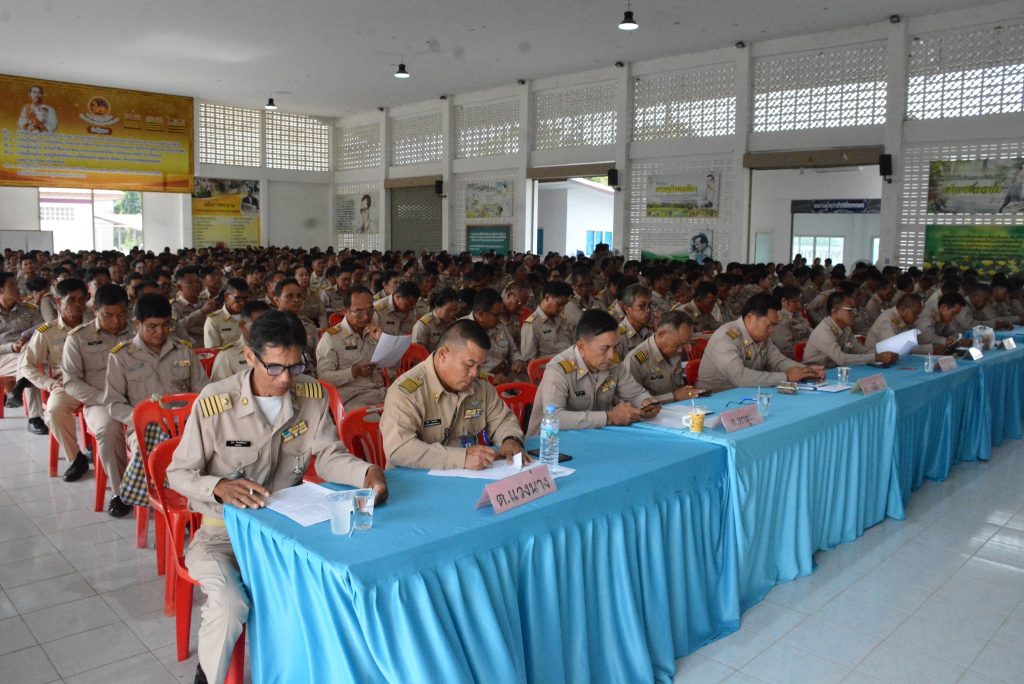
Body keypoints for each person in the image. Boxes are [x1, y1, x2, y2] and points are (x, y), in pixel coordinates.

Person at [168, 310, 388, 684]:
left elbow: (329, 456)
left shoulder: (311, 395)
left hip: (288, 532)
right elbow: (178, 474)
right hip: (223, 535)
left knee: (338, 584)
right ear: (249, 356)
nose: (286, 379)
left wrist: (365, 473)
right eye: (274, 368)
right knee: (230, 605)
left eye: (295, 366)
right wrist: (218, 487)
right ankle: (208, 676)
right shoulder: (216, 402)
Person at [104, 294, 209, 516]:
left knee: (212, 447)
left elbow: (202, 391)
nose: (160, 332)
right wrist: (144, 419)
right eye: (152, 326)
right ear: (137, 324)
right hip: (144, 429)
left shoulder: (183, 350)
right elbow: (114, 404)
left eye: (165, 325)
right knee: (162, 450)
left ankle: (196, 505)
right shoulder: (121, 356)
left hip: (186, 423)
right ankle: (170, 503)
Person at [380, 319, 525, 469]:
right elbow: (400, 448)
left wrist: (510, 439)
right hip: (417, 478)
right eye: (469, 364)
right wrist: (462, 458)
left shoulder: (480, 385)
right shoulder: (406, 392)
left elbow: (503, 420)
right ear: (443, 355)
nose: (474, 373)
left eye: (479, 366)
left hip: (468, 475)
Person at [528, 309, 658, 435]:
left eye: (615, 347)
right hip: (551, 442)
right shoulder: (558, 369)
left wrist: (646, 403)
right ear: (582, 346)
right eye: (605, 348)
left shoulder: (614, 364)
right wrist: (609, 417)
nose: (611, 355)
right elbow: (554, 417)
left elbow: (635, 394)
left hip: (594, 436)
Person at [57, 284, 134, 494]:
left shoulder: (138, 331)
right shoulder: (78, 338)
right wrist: (106, 398)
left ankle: (161, 486)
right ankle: (122, 493)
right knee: (109, 430)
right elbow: (71, 382)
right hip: (101, 402)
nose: (116, 321)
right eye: (108, 315)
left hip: (138, 397)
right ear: (94, 310)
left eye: (122, 314)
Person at [697, 293, 824, 392]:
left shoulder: (762, 336)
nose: (771, 331)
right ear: (750, 318)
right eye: (769, 325)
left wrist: (805, 371)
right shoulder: (726, 338)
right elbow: (740, 376)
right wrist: (786, 377)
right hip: (715, 399)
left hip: (745, 394)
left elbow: (777, 361)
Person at [21, 278, 88, 466]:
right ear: (58, 302)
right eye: (71, 300)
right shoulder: (47, 332)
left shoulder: (95, 327)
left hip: (99, 383)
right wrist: (49, 384)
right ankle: (76, 458)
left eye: (81, 300)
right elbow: (27, 366)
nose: (77, 305)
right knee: (54, 410)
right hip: (67, 385)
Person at [316, 286, 387, 409]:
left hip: (381, 392)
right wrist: (353, 372)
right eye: (359, 312)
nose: (366, 317)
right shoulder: (331, 338)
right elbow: (324, 378)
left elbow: (392, 366)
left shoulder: (374, 330)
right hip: (353, 397)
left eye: (370, 310)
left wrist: (383, 341)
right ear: (345, 311)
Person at [0, 271, 46, 433]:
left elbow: (42, 332)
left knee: (29, 363)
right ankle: (34, 418)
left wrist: (26, 342)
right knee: (31, 366)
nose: (17, 288)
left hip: (27, 353)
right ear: (1, 290)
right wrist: (11, 347)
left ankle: (19, 391)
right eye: (12, 285)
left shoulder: (29, 310)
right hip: (3, 357)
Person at [803, 293, 899, 368]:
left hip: (835, 370)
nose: (855, 314)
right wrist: (876, 357)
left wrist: (884, 354)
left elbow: (862, 351)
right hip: (816, 374)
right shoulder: (824, 330)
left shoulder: (845, 328)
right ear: (835, 311)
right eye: (850, 310)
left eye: (855, 310)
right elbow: (841, 359)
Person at [628, 311, 703, 402]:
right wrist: (673, 396)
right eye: (677, 345)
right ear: (661, 334)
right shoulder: (635, 361)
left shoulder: (674, 351)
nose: (680, 350)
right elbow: (632, 401)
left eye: (683, 344)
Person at [467, 287, 525, 383]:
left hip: (507, 376)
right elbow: (464, 371)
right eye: (497, 315)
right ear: (480, 314)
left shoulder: (499, 326)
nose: (500, 318)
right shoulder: (462, 331)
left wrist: (518, 360)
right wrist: (490, 377)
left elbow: (513, 350)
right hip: (480, 383)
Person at [210, 300, 270, 382]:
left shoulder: (280, 351)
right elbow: (219, 389)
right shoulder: (227, 356)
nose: (264, 329)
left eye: (268, 325)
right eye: (257, 325)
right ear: (242, 325)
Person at [865, 293, 939, 355]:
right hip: (876, 360)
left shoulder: (903, 319)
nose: (917, 317)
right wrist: (930, 349)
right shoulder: (887, 320)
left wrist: (930, 348)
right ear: (902, 309)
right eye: (915, 313)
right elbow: (895, 348)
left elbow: (908, 345)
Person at [519, 280, 573, 361]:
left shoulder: (563, 319)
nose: (562, 308)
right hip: (549, 367)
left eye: (564, 305)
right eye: (559, 304)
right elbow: (530, 362)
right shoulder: (532, 325)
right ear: (547, 298)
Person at [274, 278, 319, 373]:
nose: (296, 300)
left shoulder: (310, 327)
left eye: (299, 296)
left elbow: (318, 358)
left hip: (309, 377)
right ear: (276, 300)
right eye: (289, 296)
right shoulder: (269, 327)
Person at [173, 266, 220, 346]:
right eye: (190, 283)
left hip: (213, 345)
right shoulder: (174, 306)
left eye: (197, 282)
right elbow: (176, 328)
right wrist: (201, 312)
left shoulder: (207, 302)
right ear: (179, 287)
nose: (196, 285)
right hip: (190, 348)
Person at [203, 278, 249, 348]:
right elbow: (212, 351)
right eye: (237, 298)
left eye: (245, 298)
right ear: (226, 296)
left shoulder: (251, 316)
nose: (242, 303)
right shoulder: (214, 320)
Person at [771, 284, 812, 358]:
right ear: (783, 301)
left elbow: (810, 331)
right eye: (795, 302)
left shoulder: (795, 315)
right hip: (800, 357)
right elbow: (788, 350)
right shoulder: (780, 321)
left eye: (799, 301)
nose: (799, 305)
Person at [616, 283, 654, 358]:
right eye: (642, 306)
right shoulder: (618, 337)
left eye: (649, 305)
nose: (648, 310)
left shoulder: (649, 331)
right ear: (627, 308)